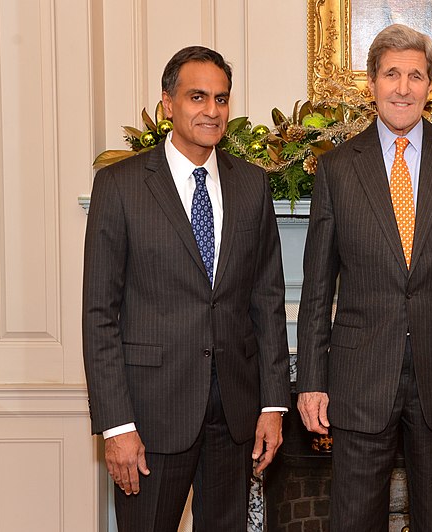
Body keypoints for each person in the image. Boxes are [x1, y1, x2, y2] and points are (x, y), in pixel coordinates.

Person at [295, 24, 432, 531]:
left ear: (430, 86)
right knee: (354, 518)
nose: (403, 87)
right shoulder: (337, 169)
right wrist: (311, 380)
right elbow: (317, 287)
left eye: (415, 75)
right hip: (359, 378)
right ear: (371, 84)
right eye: (392, 74)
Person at [82, 46, 290, 531]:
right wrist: (117, 425)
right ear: (168, 103)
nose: (211, 110)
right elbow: (100, 314)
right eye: (198, 97)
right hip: (150, 417)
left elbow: (267, 300)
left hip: (235, 416)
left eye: (221, 99)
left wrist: (272, 404)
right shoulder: (120, 186)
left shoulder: (253, 186)